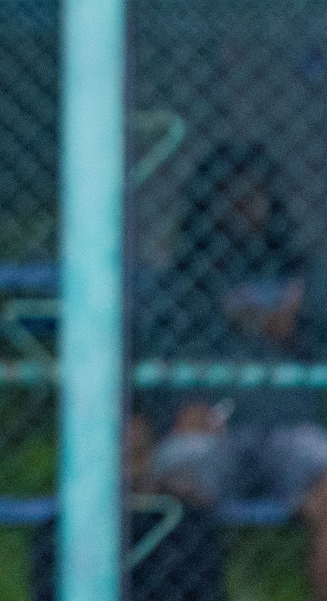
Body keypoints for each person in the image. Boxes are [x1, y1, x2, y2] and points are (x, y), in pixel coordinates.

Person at [132, 143, 327, 599]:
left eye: (253, 197)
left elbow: (320, 349)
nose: (243, 209)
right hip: (207, 430)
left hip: (289, 430)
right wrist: (172, 412)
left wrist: (297, 328)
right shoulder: (179, 282)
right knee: (172, 499)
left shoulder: (301, 276)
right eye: (230, 197)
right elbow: (149, 362)